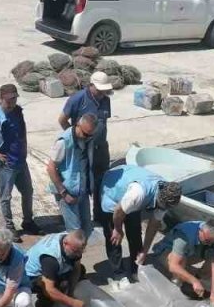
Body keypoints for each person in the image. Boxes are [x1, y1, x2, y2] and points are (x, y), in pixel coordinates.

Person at [98, 164, 183, 273]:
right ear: (158, 198)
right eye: (160, 207)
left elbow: (153, 225)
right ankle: (118, 272)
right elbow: (118, 211)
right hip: (113, 188)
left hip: (133, 192)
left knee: (135, 233)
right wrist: (118, 229)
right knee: (114, 238)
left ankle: (136, 267)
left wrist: (144, 251)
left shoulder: (168, 195)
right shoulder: (137, 195)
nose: (162, 210)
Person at [0, 84, 39, 239]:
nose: (12, 102)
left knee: (28, 191)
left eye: (14, 99)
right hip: (6, 164)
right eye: (9, 100)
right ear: (1, 99)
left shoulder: (18, 111)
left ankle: (28, 221)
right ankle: (9, 226)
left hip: (21, 161)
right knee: (6, 197)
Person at [59, 70, 115, 219]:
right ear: (91, 85)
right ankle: (80, 214)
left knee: (102, 179)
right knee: (83, 180)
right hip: (83, 149)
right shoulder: (77, 99)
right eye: (99, 90)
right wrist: (75, 138)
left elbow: (104, 122)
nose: (102, 93)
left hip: (101, 148)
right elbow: (62, 120)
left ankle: (99, 212)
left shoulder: (105, 100)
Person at [150, 218, 214, 307]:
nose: (209, 244)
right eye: (207, 241)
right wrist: (194, 281)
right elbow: (173, 266)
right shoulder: (185, 234)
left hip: (190, 253)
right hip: (166, 253)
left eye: (212, 241)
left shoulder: (213, 239)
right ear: (201, 231)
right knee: (180, 261)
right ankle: (177, 282)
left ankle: (199, 278)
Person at [46, 113, 98, 234]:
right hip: (68, 193)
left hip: (82, 191)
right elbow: (51, 168)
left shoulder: (88, 138)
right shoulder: (64, 142)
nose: (87, 138)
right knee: (75, 232)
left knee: (86, 229)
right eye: (85, 134)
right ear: (78, 125)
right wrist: (63, 193)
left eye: (90, 135)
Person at [24, 229, 89, 307]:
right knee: (51, 293)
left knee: (81, 270)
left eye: (80, 251)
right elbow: (49, 290)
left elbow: (76, 268)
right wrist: (72, 302)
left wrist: (71, 292)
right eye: (75, 251)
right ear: (65, 243)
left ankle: (63, 296)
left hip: (52, 268)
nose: (78, 254)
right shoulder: (51, 259)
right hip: (32, 276)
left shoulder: (71, 242)